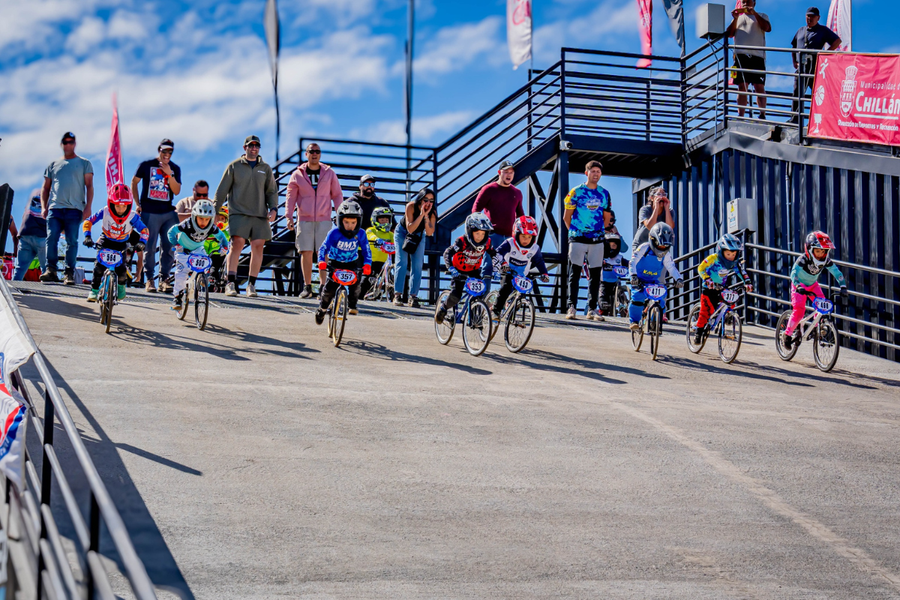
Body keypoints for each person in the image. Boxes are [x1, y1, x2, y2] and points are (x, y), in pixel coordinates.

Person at [214, 135, 278, 298]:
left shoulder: (266, 168)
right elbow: (222, 190)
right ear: (245, 148)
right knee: (237, 244)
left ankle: (251, 285)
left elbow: (271, 191)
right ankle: (231, 283)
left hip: (259, 214)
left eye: (257, 146)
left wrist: (274, 209)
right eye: (251, 146)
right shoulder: (234, 166)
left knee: (258, 246)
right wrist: (215, 210)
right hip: (238, 213)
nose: (254, 148)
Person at [285, 143, 344, 298]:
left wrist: (340, 214)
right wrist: (288, 216)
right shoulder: (297, 174)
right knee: (306, 251)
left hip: (324, 219)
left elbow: (337, 194)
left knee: (323, 253)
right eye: (311, 151)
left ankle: (324, 287)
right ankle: (307, 287)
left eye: (317, 151)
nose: (315, 154)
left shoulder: (329, 173)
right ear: (306, 154)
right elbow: (290, 196)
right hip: (304, 219)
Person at [40, 132, 94, 284]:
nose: (68, 144)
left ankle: (69, 273)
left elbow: (89, 186)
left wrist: (88, 207)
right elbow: (45, 188)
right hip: (55, 208)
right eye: (65, 142)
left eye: (71, 142)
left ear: (74, 144)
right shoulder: (53, 165)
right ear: (62, 144)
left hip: (74, 209)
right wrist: (44, 207)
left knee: (72, 241)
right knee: (51, 238)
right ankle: (51, 270)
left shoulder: (84, 163)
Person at [781, 231, 848, 350]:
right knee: (799, 310)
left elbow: (836, 272)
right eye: (817, 251)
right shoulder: (803, 259)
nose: (820, 254)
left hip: (813, 285)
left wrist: (842, 286)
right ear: (809, 250)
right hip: (799, 286)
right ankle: (787, 335)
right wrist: (797, 285)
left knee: (823, 305)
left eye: (823, 251)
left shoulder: (826, 260)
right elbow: (794, 273)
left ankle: (817, 327)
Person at [82, 184, 148, 303]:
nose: (121, 209)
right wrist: (87, 236)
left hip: (121, 243)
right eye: (117, 206)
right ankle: (94, 290)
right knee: (99, 267)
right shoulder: (105, 211)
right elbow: (88, 221)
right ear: (111, 203)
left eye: (124, 206)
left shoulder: (132, 216)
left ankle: (121, 287)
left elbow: (144, 230)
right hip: (105, 240)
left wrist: (142, 242)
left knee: (122, 270)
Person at [132, 138, 182, 293]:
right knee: (150, 246)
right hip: (149, 211)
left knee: (169, 246)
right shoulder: (146, 165)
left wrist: (169, 175)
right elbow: (134, 182)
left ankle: (165, 279)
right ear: (159, 150)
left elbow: (176, 190)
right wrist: (137, 203)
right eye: (164, 151)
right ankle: (150, 280)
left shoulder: (175, 168)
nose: (167, 154)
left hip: (167, 211)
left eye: (170, 151)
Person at [563, 160, 611, 321]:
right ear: (586, 173)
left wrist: (598, 231)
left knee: (595, 274)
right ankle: (571, 307)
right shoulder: (576, 192)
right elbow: (566, 216)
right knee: (574, 273)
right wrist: (576, 232)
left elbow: (607, 216)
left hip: (597, 239)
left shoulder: (604, 193)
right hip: (577, 237)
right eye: (593, 171)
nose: (596, 174)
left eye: (598, 171)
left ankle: (592, 309)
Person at [314, 200, 372, 324]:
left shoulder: (361, 234)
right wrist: (321, 261)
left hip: (352, 263)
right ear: (340, 221)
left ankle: (352, 305)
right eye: (346, 222)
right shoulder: (334, 233)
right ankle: (323, 309)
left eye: (353, 222)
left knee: (356, 285)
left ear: (358, 221)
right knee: (329, 289)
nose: (350, 226)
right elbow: (323, 248)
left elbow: (367, 250)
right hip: (335, 262)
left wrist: (367, 264)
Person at [167, 200, 230, 311]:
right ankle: (177, 297)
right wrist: (176, 244)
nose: (203, 222)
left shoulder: (212, 228)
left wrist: (224, 247)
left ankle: (203, 277)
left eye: (207, 219)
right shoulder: (187, 224)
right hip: (183, 249)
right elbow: (171, 232)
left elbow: (222, 237)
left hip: (198, 249)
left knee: (206, 262)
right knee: (181, 273)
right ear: (194, 216)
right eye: (201, 218)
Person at [692, 234, 754, 345]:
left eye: (734, 254)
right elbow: (701, 268)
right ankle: (698, 331)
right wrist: (707, 279)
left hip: (721, 288)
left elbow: (741, 272)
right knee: (705, 312)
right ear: (721, 251)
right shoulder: (713, 259)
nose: (731, 257)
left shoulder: (735, 263)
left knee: (732, 300)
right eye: (728, 254)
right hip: (708, 288)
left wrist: (747, 282)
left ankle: (726, 317)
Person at [434, 212, 494, 325]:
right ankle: (443, 308)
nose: (480, 237)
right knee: (456, 295)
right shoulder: (461, 242)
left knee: (480, 293)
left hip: (474, 271)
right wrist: (451, 268)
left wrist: (499, 267)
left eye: (483, 234)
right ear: (470, 232)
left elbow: (494, 255)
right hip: (459, 271)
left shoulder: (487, 243)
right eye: (477, 233)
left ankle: (474, 319)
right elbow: (448, 253)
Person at [491, 216, 550, 322]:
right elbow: (498, 252)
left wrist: (544, 273)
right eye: (523, 236)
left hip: (521, 275)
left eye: (529, 237)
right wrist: (503, 263)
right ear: (516, 233)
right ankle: (496, 310)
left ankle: (512, 315)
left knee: (520, 296)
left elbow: (539, 261)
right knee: (505, 288)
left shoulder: (535, 248)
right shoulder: (510, 243)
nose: (526, 240)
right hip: (507, 271)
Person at [628, 223, 684, 331]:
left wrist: (678, 279)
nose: (662, 248)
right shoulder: (644, 248)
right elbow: (633, 262)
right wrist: (633, 276)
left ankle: (655, 319)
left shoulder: (666, 254)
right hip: (639, 279)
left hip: (654, 280)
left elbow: (671, 267)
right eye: (660, 245)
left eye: (665, 246)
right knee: (637, 298)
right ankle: (634, 321)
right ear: (653, 240)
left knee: (661, 300)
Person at [790, 7, 841, 122]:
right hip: (801, 67)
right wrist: (794, 61)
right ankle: (794, 119)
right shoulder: (801, 30)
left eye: (812, 16)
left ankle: (825, 120)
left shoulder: (822, 30)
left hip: (815, 67)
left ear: (818, 18)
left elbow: (837, 41)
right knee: (797, 92)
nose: (810, 18)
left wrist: (825, 54)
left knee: (819, 94)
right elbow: (793, 46)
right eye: (808, 16)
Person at [726, 0, 771, 120]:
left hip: (758, 57)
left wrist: (754, 13)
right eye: (744, 1)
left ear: (754, 2)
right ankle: (741, 115)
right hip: (741, 57)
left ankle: (762, 114)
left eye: (748, 1)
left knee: (759, 86)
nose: (746, 4)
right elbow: (729, 34)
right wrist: (735, 18)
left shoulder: (762, 16)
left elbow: (767, 28)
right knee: (742, 87)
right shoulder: (738, 18)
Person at [393, 188, 436, 308]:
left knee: (417, 265)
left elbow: (429, 232)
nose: (428, 203)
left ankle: (413, 296)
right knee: (402, 262)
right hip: (403, 233)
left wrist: (426, 216)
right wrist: (421, 214)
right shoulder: (411, 206)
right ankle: (397, 294)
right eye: (425, 200)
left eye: (431, 201)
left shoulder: (432, 213)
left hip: (419, 235)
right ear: (420, 199)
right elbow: (410, 228)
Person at [472, 160, 524, 248]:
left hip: (510, 238)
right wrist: (482, 232)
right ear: (499, 172)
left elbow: (520, 216)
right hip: (492, 236)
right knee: (489, 262)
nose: (509, 175)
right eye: (506, 172)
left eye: (511, 172)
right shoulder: (488, 189)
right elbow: (475, 211)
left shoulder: (517, 192)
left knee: (508, 262)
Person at [360, 206, 394, 299]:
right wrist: (377, 239)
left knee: (392, 275)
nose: (384, 221)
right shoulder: (371, 230)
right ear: (375, 219)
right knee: (365, 280)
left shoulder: (390, 234)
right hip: (371, 261)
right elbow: (370, 235)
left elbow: (395, 241)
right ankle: (359, 298)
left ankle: (393, 296)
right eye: (382, 219)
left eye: (386, 219)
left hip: (384, 262)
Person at [13, 193, 47, 280]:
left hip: (25, 234)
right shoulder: (51, 200)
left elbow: (24, 216)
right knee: (46, 270)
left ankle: (12, 291)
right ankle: (48, 290)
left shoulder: (33, 199)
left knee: (20, 268)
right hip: (41, 236)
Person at [598, 232, 629, 320]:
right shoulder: (602, 257)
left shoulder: (619, 258)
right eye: (609, 245)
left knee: (621, 293)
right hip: (604, 282)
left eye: (614, 246)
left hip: (616, 282)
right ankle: (602, 310)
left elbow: (629, 264)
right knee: (602, 296)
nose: (612, 248)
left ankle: (624, 308)